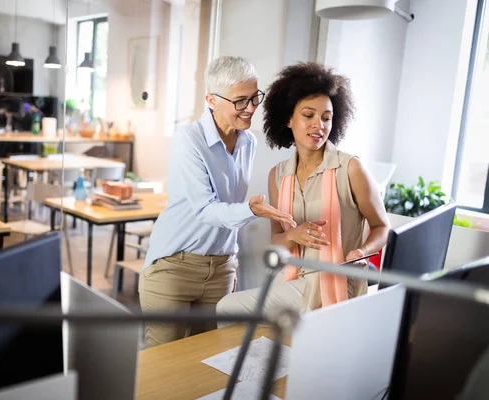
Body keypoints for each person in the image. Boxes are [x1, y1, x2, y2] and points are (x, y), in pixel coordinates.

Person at [139, 56, 296, 348]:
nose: (250, 108)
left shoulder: (248, 142)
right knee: (162, 366)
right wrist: (251, 210)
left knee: (206, 360)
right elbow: (205, 209)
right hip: (174, 266)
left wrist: (230, 260)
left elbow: (231, 202)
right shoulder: (189, 140)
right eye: (240, 101)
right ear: (211, 99)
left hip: (221, 268)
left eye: (254, 98)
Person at [216, 62, 390, 318]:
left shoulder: (350, 168)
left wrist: (361, 252)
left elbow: (382, 226)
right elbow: (277, 240)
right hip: (293, 279)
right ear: (288, 119)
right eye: (308, 115)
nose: (318, 125)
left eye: (326, 118)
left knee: (227, 308)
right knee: (238, 316)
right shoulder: (278, 175)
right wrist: (294, 234)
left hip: (337, 281)